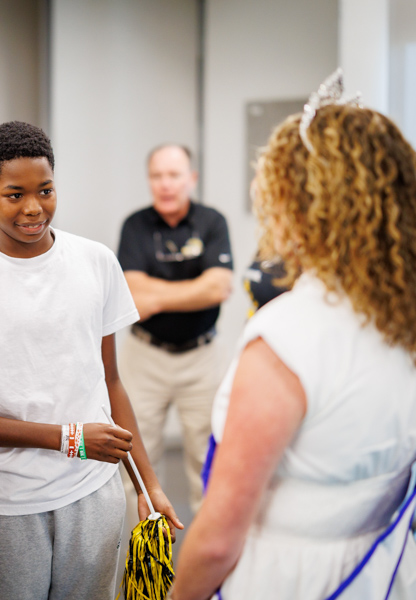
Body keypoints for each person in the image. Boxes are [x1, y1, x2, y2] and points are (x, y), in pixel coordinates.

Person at [172, 83, 416, 599]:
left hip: (292, 580)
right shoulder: (401, 320)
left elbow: (217, 542)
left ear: (300, 207)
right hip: (383, 571)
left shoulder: (287, 335)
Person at [0, 121, 183, 600]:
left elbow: (111, 383)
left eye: (45, 190)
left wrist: (149, 486)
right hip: (7, 500)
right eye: (14, 194)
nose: (33, 208)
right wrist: (67, 438)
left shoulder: (96, 262)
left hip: (94, 491)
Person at [116, 144, 233, 513]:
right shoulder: (135, 225)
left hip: (202, 359)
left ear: (191, 179)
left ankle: (208, 562)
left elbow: (219, 287)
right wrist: (194, 290)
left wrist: (156, 296)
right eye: (157, 176)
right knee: (136, 459)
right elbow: (131, 292)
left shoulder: (212, 222)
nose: (165, 184)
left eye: (174, 175)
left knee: (207, 459)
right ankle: (146, 559)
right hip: (145, 356)